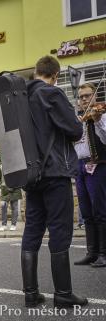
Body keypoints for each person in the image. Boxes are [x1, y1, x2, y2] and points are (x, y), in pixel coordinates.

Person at [21, 55, 87, 308]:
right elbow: (74, 130)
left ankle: (30, 293)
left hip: (30, 174)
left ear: (36, 71)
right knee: (60, 230)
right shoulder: (52, 93)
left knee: (32, 230)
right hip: (55, 171)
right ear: (55, 75)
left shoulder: (19, 97)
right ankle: (62, 293)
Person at [73, 82, 106, 268]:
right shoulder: (78, 120)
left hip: (98, 165)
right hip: (80, 167)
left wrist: (98, 119)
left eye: (88, 95)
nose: (84, 99)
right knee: (86, 212)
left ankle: (103, 253)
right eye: (81, 97)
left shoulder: (101, 116)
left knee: (100, 210)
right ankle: (91, 252)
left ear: (94, 96)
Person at [0, 164, 22, 231]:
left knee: (14, 208)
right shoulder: (1, 165)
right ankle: (4, 225)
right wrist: (1, 186)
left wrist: (13, 186)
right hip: (4, 190)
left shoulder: (16, 165)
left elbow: (19, 177)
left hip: (15, 189)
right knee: (3, 207)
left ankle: (13, 225)